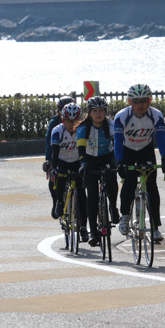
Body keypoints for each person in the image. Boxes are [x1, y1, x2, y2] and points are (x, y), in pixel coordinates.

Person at [113, 84, 165, 242]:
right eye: (136, 101)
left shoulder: (156, 115)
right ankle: (125, 216)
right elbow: (118, 142)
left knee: (152, 187)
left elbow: (161, 139)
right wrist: (120, 162)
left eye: (144, 101)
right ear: (129, 101)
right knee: (129, 182)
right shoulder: (121, 116)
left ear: (150, 101)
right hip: (127, 151)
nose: (140, 105)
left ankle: (155, 228)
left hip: (146, 150)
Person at [77, 96, 120, 247]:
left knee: (112, 177)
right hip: (89, 159)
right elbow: (81, 149)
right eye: (95, 111)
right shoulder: (83, 127)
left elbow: (116, 142)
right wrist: (83, 164)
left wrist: (118, 161)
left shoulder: (110, 124)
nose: (98, 114)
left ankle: (113, 207)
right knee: (92, 196)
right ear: (89, 113)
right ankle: (93, 231)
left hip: (107, 157)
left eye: (101, 110)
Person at [50, 102, 89, 242]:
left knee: (82, 196)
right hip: (62, 161)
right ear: (63, 120)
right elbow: (54, 154)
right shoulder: (57, 131)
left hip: (77, 162)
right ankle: (59, 202)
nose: (72, 124)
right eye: (68, 121)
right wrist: (53, 169)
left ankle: (83, 227)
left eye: (75, 121)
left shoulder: (83, 130)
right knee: (57, 179)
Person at [43, 96, 74, 219]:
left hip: (73, 154)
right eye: (62, 110)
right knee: (53, 182)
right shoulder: (54, 122)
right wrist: (48, 160)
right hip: (58, 153)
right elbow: (48, 142)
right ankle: (56, 201)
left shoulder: (78, 121)